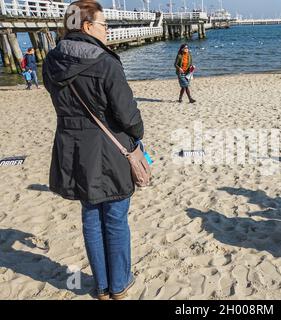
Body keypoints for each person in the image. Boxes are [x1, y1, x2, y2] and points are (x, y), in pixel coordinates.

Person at [43, 0, 144, 300]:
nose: (108, 30)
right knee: (114, 218)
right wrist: (138, 134)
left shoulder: (51, 60)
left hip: (72, 148)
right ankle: (119, 284)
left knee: (90, 216)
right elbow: (127, 114)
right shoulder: (105, 61)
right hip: (109, 151)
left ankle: (101, 287)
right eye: (104, 25)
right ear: (87, 27)